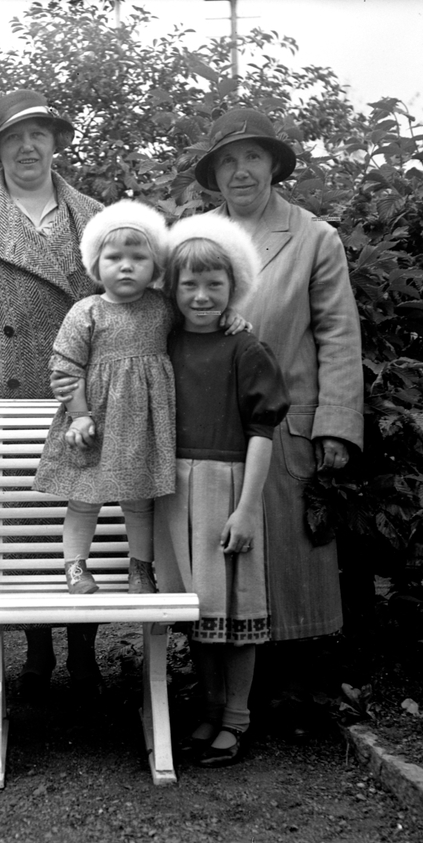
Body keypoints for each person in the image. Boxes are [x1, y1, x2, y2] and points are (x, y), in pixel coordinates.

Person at [191, 107, 364, 735]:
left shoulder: (313, 237)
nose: (241, 171)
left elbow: (338, 333)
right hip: (207, 431)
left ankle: (279, 697)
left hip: (284, 426)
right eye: (227, 161)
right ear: (214, 173)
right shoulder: (194, 235)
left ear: (273, 166)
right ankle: (219, 699)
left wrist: (335, 423)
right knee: (215, 562)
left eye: (253, 157)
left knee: (281, 567)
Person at [0, 89, 104, 698]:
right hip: (6, 394)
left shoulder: (96, 217)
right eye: (13, 137)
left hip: (82, 395)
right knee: (24, 525)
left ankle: (85, 648)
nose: (27, 147)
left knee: (86, 513)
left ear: (55, 142)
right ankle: (37, 647)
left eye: (37, 134)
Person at [153, 214, 289, 767]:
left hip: (228, 489)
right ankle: (208, 710)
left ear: (235, 286)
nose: (202, 296)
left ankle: (236, 717)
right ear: (172, 288)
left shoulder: (245, 349)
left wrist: (247, 509)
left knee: (235, 612)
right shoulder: (163, 342)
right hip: (175, 491)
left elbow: (261, 432)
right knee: (200, 611)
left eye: (215, 284)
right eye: (189, 284)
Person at [33, 200, 176, 604]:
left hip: (144, 424)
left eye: (138, 258)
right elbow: (65, 368)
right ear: (96, 265)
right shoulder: (87, 311)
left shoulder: (164, 308)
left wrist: (229, 318)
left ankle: (141, 569)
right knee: (84, 497)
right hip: (96, 421)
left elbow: (202, 327)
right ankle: (75, 567)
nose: (126, 266)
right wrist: (79, 416)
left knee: (140, 500)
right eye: (114, 258)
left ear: (155, 266)